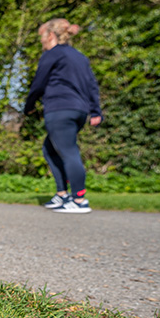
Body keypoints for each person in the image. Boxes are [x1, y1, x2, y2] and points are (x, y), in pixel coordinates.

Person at [24, 18, 103, 214]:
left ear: (50, 35)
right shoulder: (79, 56)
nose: (41, 42)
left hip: (60, 108)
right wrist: (95, 111)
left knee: (68, 151)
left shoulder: (53, 54)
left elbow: (38, 83)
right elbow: (91, 84)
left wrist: (29, 106)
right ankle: (62, 195)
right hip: (79, 110)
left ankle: (79, 199)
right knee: (50, 149)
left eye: (41, 37)